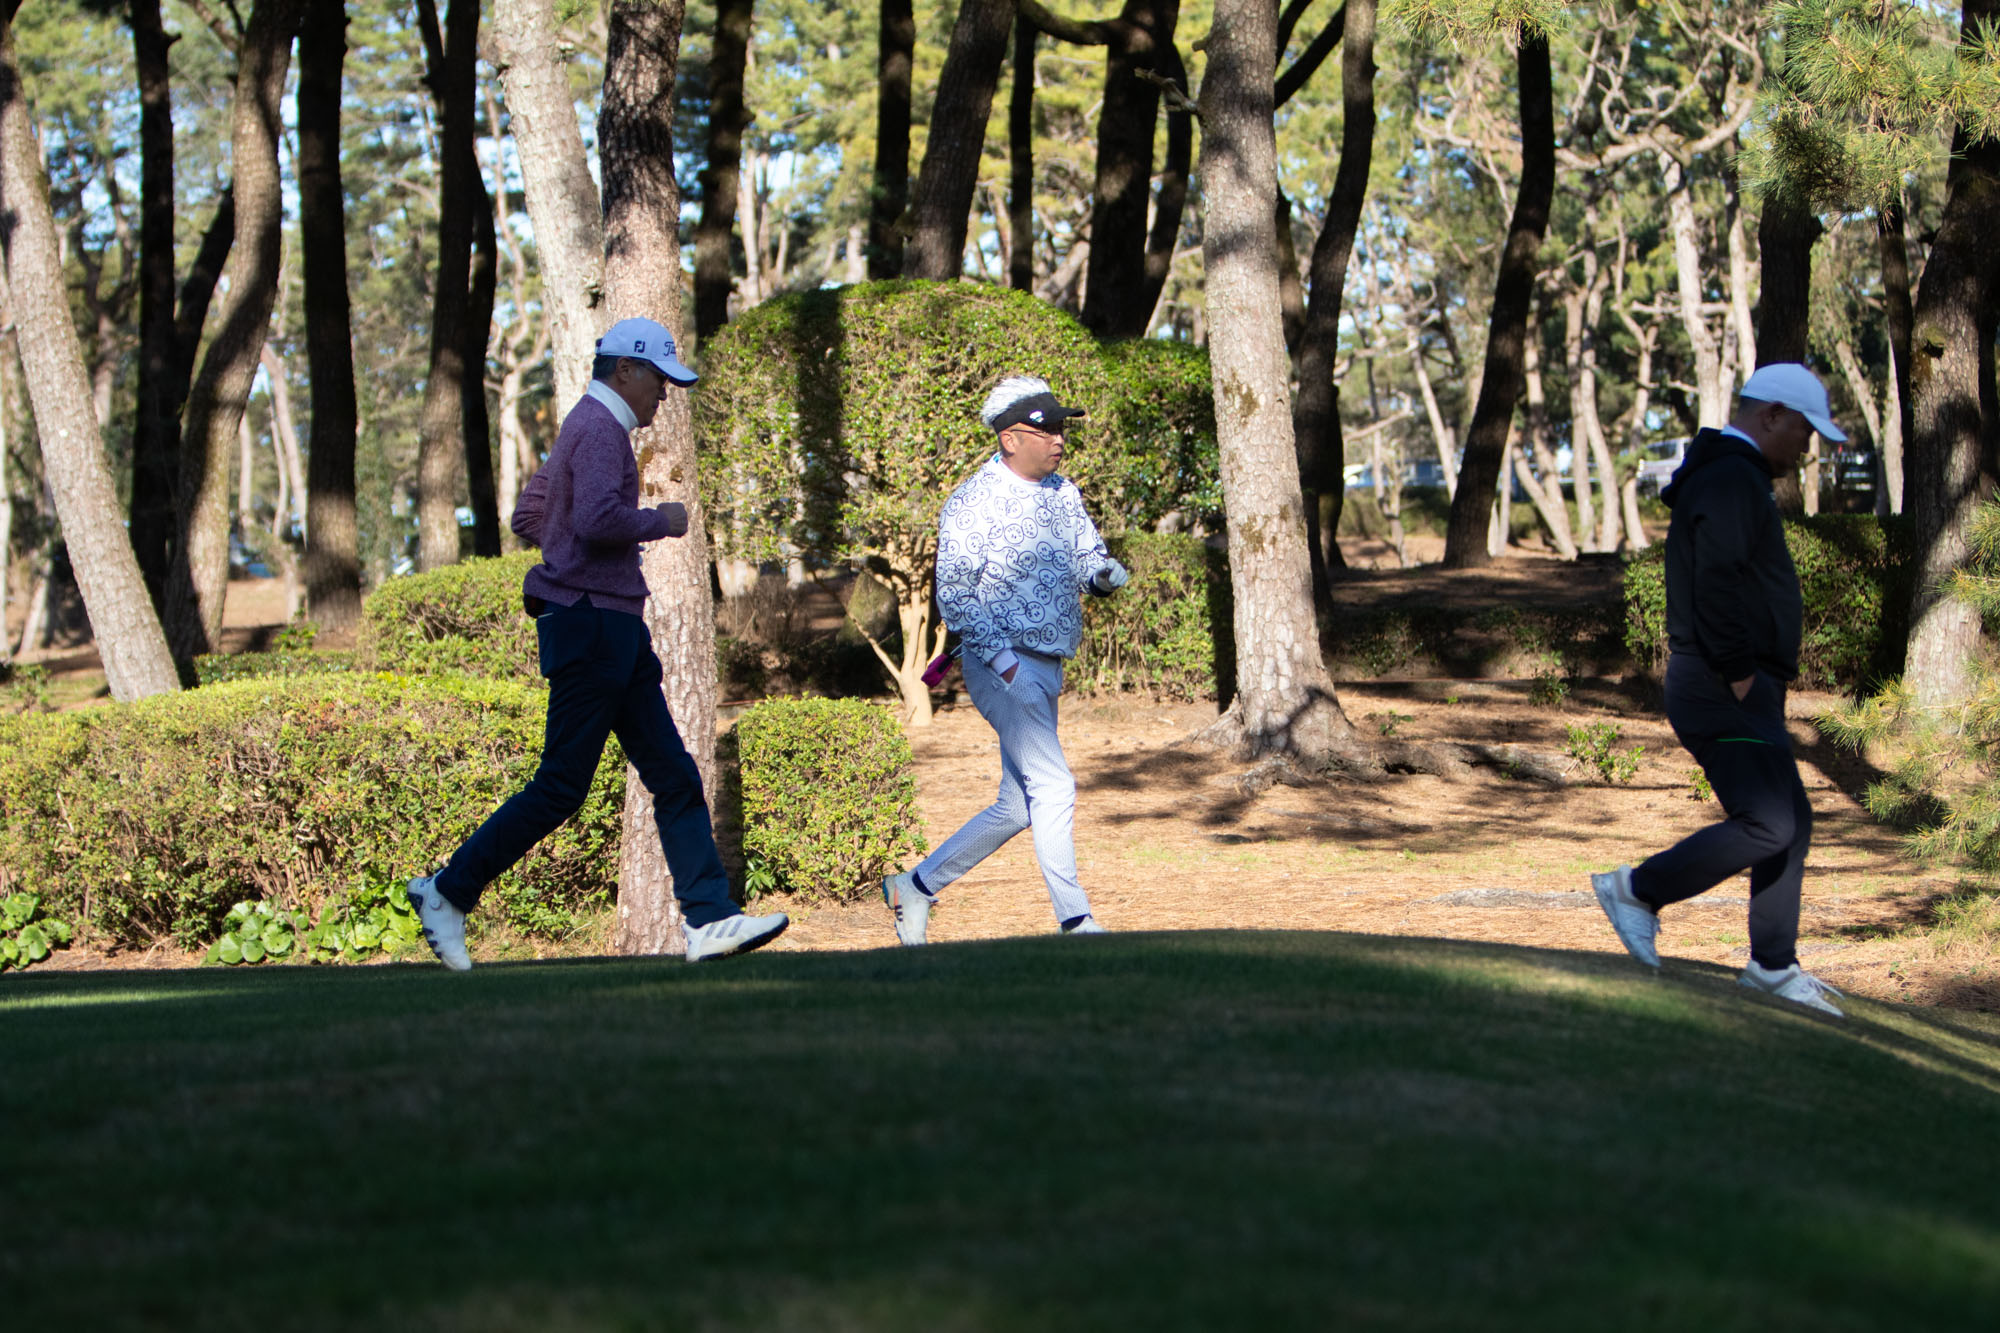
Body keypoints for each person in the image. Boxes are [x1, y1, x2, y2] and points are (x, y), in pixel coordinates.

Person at [406, 318, 788, 969]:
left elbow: (532, 514)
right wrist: (660, 521)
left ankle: (709, 919)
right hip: (592, 626)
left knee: (672, 774)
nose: (664, 395)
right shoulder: (601, 428)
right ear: (625, 370)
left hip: (608, 625)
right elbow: (592, 519)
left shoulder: (582, 428)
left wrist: (574, 550)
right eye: (659, 380)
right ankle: (447, 890)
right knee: (563, 785)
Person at [1592, 362, 1847, 1016]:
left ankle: (1772, 967)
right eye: (1804, 429)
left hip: (1733, 683)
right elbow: (1717, 579)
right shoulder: (1732, 476)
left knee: (1790, 820)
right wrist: (1739, 671)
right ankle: (1638, 889)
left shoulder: (1737, 475)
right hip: (1719, 682)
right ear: (1771, 416)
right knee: (1770, 821)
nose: (1807, 445)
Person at [880, 375, 1129, 946]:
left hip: (1049, 663)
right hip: (1004, 666)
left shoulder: (1063, 493)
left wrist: (1102, 576)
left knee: (1018, 805)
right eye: (1046, 431)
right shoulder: (974, 500)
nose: (1059, 440)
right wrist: (1003, 661)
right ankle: (1075, 920)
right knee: (1054, 785)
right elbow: (956, 592)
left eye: (1062, 429)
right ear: (1009, 439)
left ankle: (914, 886)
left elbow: (1087, 556)